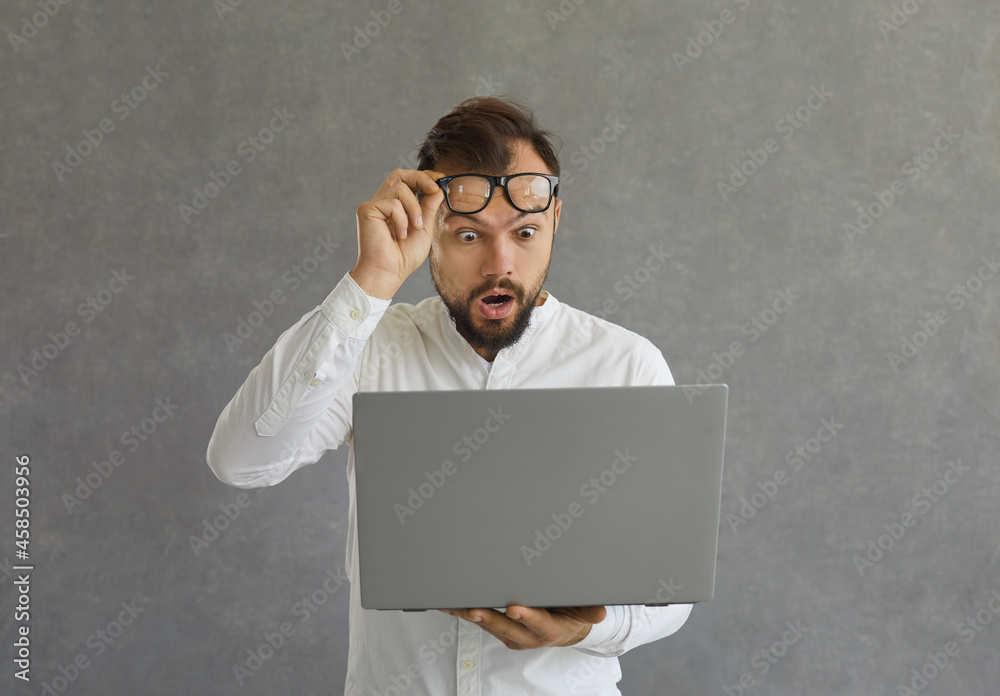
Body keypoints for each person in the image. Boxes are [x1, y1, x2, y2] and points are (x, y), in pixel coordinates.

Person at [206, 95, 691, 695]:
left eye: (527, 232)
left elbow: (669, 591)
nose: (500, 263)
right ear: (427, 230)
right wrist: (372, 280)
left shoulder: (626, 364)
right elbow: (241, 461)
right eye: (468, 234)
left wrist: (574, 632)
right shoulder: (369, 348)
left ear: (556, 222)